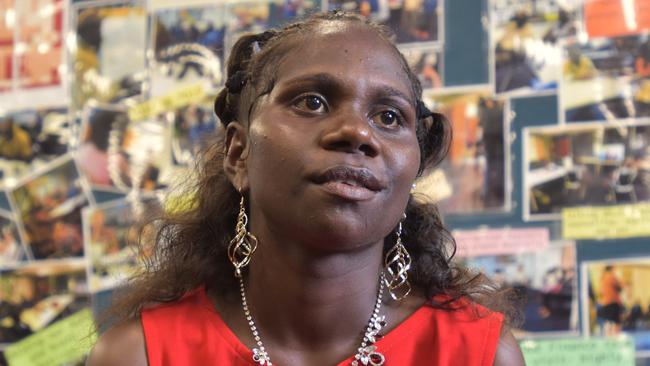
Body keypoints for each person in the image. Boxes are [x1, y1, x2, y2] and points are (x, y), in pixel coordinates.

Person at [88, 12, 524, 366]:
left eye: (389, 117)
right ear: (239, 154)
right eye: (311, 102)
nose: (357, 132)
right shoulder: (141, 356)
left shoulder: (479, 355)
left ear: (412, 169)